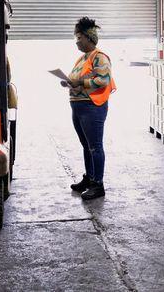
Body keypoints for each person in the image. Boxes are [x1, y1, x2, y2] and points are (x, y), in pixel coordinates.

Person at [60, 17, 116, 201]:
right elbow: (80, 81)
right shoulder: (82, 58)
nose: (76, 41)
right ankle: (89, 179)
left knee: (95, 146)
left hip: (92, 107)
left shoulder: (100, 57)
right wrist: (69, 83)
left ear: (89, 38)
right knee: (86, 146)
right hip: (78, 107)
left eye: (79, 37)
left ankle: (98, 185)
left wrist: (79, 82)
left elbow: (102, 81)